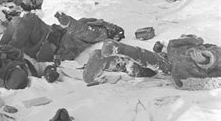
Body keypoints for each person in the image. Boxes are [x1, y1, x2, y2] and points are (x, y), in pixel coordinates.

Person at [83, 35, 221, 90]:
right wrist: (207, 58)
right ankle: (118, 48)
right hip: (185, 62)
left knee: (141, 69)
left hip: (181, 66)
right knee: (158, 63)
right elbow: (215, 51)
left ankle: (106, 60)